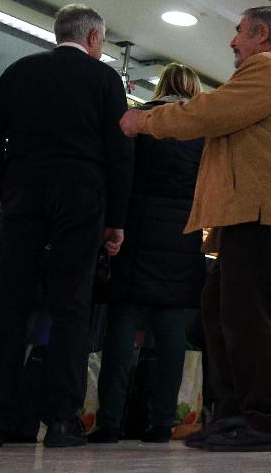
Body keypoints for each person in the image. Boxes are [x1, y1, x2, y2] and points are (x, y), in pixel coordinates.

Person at [119, 5, 271, 452]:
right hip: (256, 209)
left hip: (262, 209)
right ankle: (233, 413)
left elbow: (208, 114)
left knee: (247, 314)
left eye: (238, 33)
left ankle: (267, 420)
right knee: (219, 309)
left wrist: (144, 120)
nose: (232, 42)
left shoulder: (270, 68)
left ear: (262, 34)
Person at [0, 4, 132, 449]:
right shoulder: (105, 80)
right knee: (71, 306)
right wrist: (115, 221)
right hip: (82, 194)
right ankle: (59, 421)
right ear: (94, 39)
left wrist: (7, 184)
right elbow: (120, 153)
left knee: (9, 302)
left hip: (25, 190)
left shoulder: (20, 72)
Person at [90, 64, 206, 444]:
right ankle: (160, 423)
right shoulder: (202, 131)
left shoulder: (141, 119)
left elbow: (120, 171)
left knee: (122, 330)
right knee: (171, 335)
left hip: (135, 232)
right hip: (183, 236)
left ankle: (109, 422)